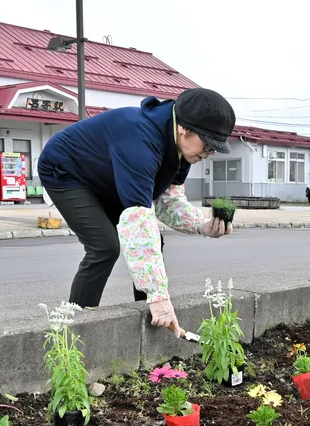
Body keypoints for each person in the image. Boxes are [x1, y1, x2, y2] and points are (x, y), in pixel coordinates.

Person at [37, 88, 236, 336]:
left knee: (155, 240)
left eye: (215, 148)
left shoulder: (183, 151)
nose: (209, 153)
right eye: (207, 145)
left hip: (109, 176)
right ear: (184, 128)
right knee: (104, 247)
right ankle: (74, 332)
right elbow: (139, 222)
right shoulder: (139, 141)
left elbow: (167, 202)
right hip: (68, 172)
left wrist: (202, 225)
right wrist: (160, 296)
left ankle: (152, 319)